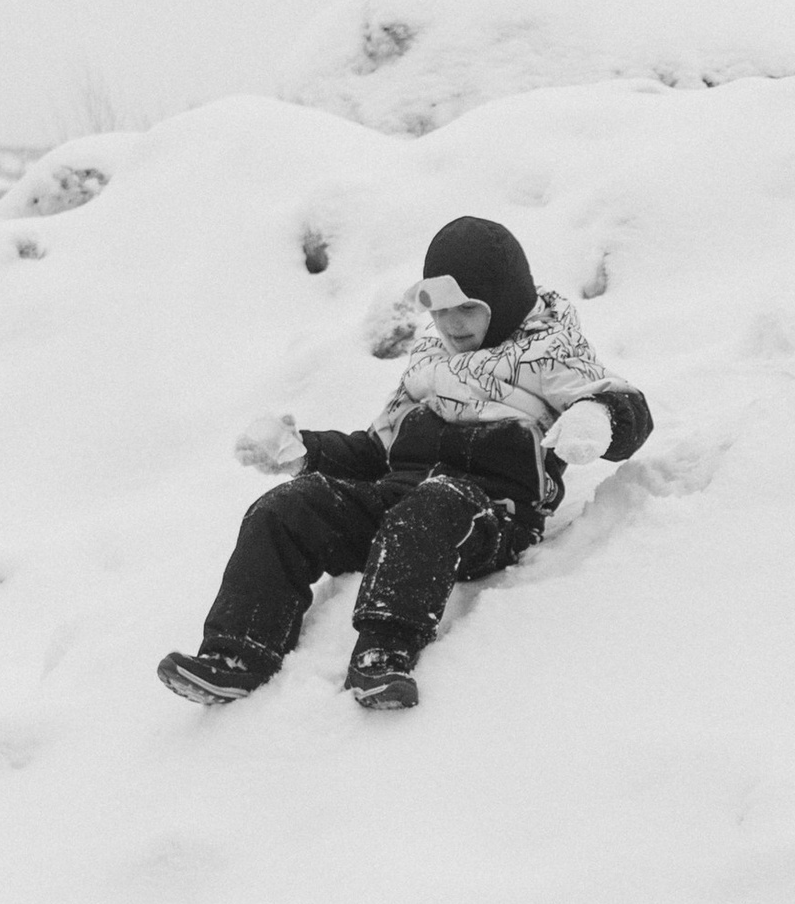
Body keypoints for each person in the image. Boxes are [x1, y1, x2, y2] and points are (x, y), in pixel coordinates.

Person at [157, 215, 653, 714]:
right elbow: (377, 450)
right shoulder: (429, 361)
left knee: (432, 507)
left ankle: (383, 651)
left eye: (467, 308)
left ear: (502, 303)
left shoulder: (550, 351)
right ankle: (238, 654)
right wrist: (301, 450)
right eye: (439, 311)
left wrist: (599, 417)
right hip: (402, 500)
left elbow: (628, 407)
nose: (452, 324)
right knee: (288, 508)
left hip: (489, 514)